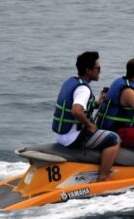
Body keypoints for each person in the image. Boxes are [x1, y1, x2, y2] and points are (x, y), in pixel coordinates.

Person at [52, 51, 121, 182]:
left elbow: (78, 105)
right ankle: (104, 177)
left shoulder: (71, 81)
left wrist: (96, 103)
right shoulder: (84, 89)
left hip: (61, 136)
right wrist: (90, 126)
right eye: (98, 68)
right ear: (88, 70)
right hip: (73, 138)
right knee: (114, 139)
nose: (100, 71)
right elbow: (76, 111)